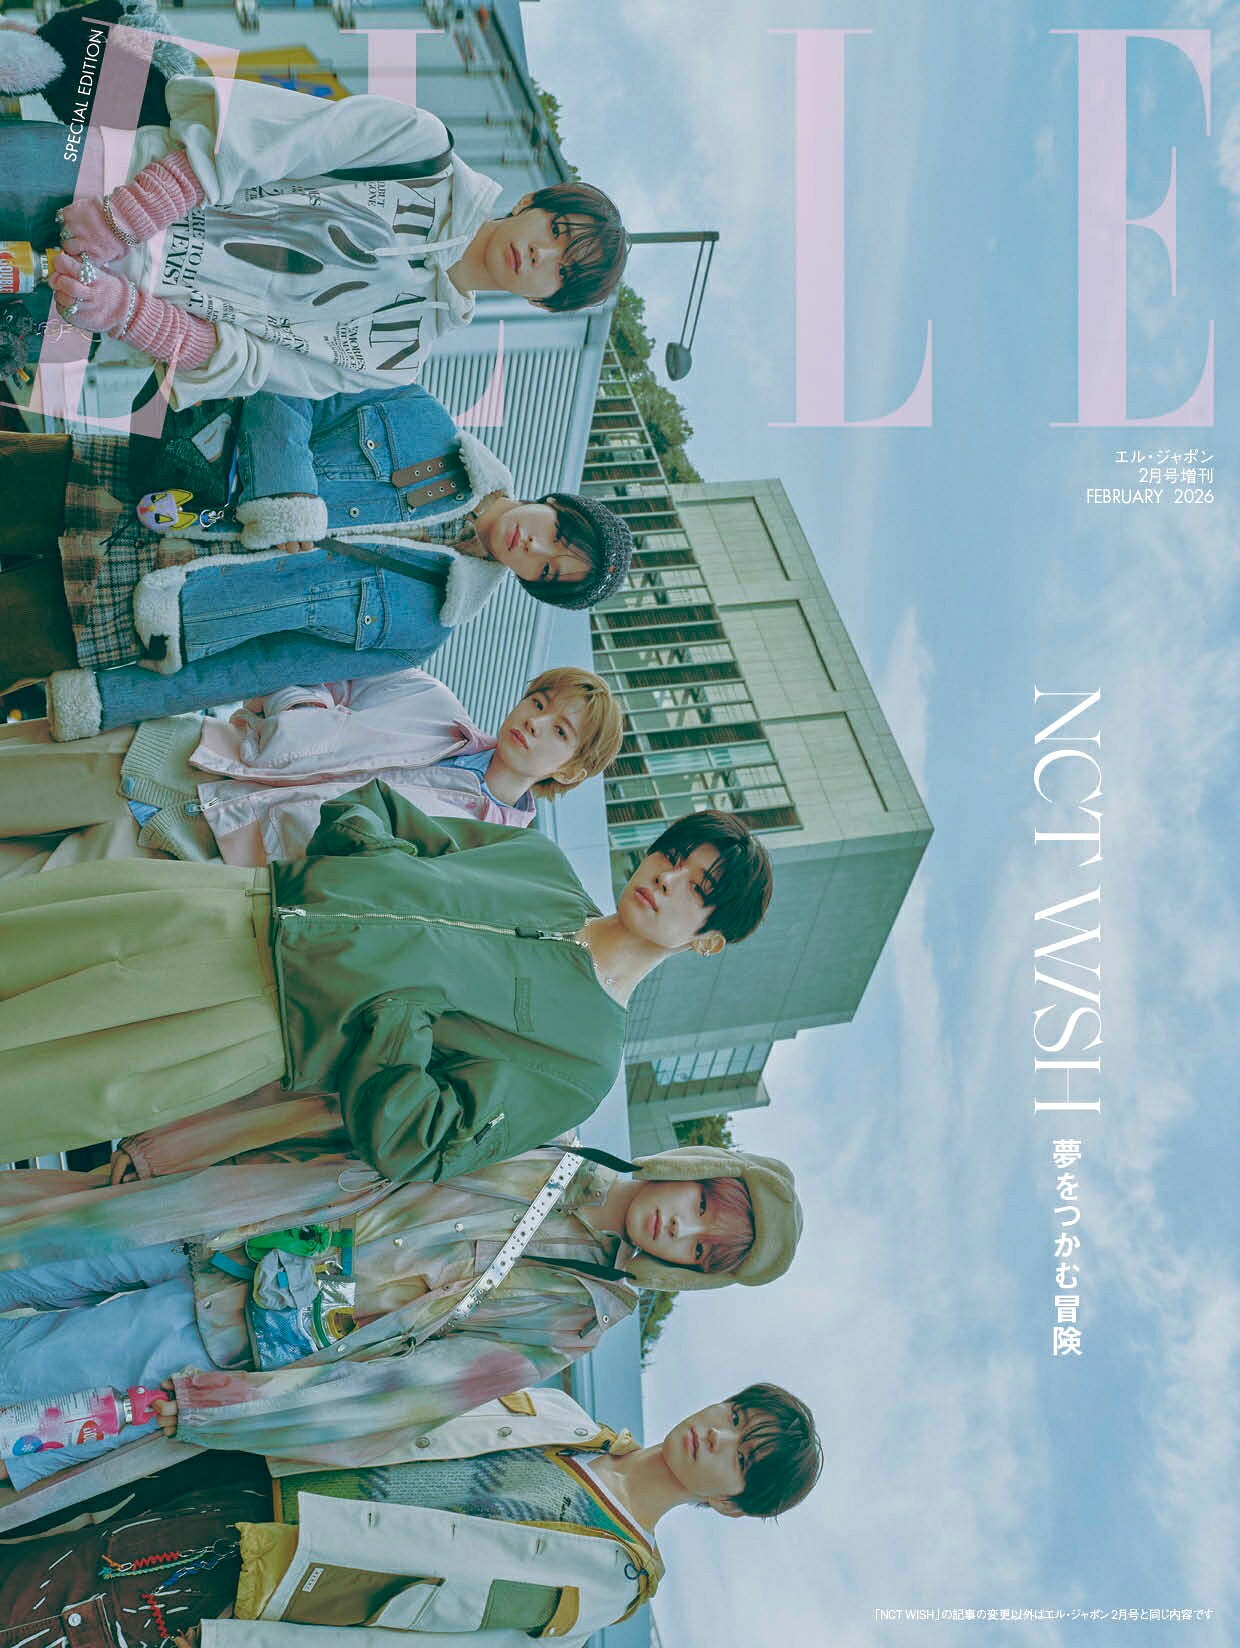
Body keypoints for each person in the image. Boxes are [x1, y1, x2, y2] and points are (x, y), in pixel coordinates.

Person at [0, 1108, 800, 1509]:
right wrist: (187, 1143)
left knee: (28, 1376)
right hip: (225, 1210)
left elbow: (411, 1393)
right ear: (695, 1169)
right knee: (21, 1244)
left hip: (235, 1335)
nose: (679, 1229)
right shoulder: (548, 1130)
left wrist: (239, 1409)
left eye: (702, 1251)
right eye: (702, 1204)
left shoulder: (574, 1314)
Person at [0, 794, 774, 1164]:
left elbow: (422, 1140)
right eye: (674, 856)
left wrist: (398, 1014)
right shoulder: (539, 863)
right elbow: (376, 809)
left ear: (708, 942)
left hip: (253, 1024)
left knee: (30, 1076)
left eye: (699, 889)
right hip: (231, 898)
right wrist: (372, 855)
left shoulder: (582, 1063)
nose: (668, 879)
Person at [0, 1380, 822, 1646]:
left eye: (741, 1458)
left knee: (44, 1605)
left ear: (729, 1505)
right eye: (733, 1416)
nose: (717, 1435)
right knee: (32, 1530)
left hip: (256, 1571)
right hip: (244, 1471)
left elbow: (435, 1635)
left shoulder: (610, 1580)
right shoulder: (561, 1412)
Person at [0, 386, 633, 720]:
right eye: (557, 533)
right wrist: (286, 494)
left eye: (547, 570)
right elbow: (287, 385)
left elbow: (259, 669)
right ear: (556, 504)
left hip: (129, 610)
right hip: (130, 485)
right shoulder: (422, 419)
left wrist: (110, 699)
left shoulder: (422, 628)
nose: (534, 546)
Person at [1, 71, 627, 405]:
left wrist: (127, 313)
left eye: (562, 270)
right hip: (100, 181)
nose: (543, 253)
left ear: (544, 301)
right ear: (533, 202)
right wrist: (125, 218)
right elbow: (262, 139)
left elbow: (251, 362)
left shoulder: (397, 359)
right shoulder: (421, 148)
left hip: (81, 305)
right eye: (557, 229)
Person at [0, 664, 624, 874]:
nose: (536, 722)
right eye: (539, 703)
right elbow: (315, 666)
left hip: (195, 854)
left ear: (571, 770)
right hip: (175, 758)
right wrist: (300, 714)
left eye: (560, 731)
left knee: (21, 899)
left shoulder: (477, 850)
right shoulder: (429, 700)